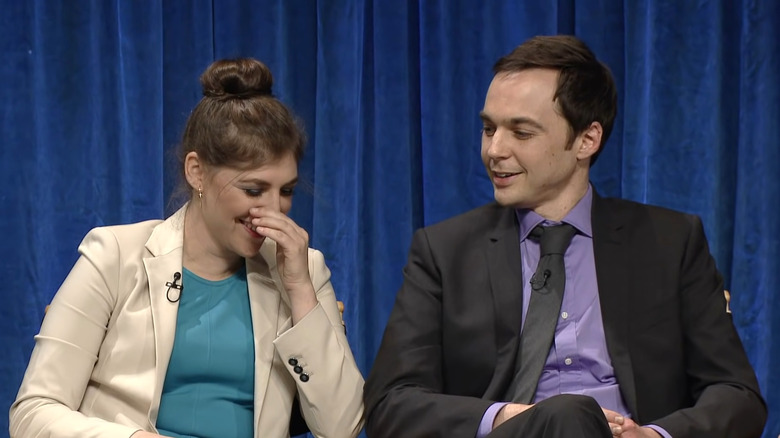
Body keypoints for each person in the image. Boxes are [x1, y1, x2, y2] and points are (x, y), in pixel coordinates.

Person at [363, 35, 766, 438]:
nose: (494, 150)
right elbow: (390, 402)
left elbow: (737, 394)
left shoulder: (670, 243)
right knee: (568, 415)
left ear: (586, 140)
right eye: (488, 128)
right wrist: (507, 417)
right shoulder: (443, 251)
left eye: (521, 133)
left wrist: (655, 436)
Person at [10, 58, 364, 438]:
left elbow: (343, 427)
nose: (274, 210)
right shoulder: (113, 255)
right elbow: (33, 413)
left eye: (287, 191)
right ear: (197, 171)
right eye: (253, 190)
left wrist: (299, 290)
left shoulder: (304, 270)